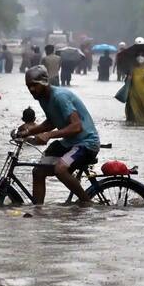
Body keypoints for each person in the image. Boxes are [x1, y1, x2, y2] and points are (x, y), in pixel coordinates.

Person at [18, 66, 101, 205]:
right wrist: (27, 132)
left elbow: (76, 126)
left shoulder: (59, 97)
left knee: (60, 169)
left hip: (86, 143)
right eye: (28, 86)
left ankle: (87, 203)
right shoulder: (42, 98)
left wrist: (49, 135)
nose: (31, 90)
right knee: (38, 171)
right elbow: (52, 122)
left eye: (34, 85)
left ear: (44, 83)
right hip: (69, 143)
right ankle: (37, 212)